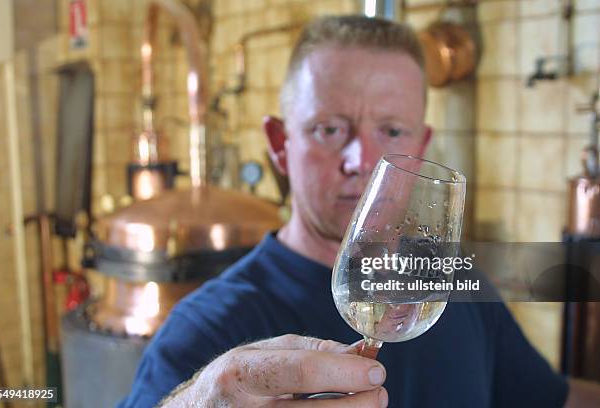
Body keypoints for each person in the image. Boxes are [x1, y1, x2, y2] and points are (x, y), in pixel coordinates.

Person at [118, 15, 600, 407]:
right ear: (280, 145)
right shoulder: (209, 325)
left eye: (391, 132)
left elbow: (552, 399)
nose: (362, 162)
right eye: (330, 129)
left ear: (422, 145)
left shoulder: (452, 290)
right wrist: (200, 401)